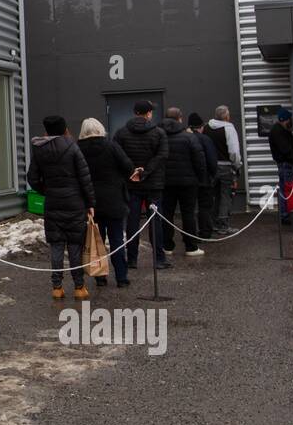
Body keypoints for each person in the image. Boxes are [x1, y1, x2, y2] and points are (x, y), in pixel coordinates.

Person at [29, 115, 95, 300]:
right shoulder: (72, 146)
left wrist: (47, 190)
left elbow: (32, 178)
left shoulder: (39, 149)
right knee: (75, 246)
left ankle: (57, 287)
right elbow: (85, 178)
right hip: (75, 203)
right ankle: (79, 287)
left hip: (53, 203)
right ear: (64, 128)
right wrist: (90, 203)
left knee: (56, 246)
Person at [77, 117, 133, 287]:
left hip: (90, 201)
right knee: (116, 239)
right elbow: (128, 166)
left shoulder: (77, 149)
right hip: (114, 198)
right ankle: (121, 278)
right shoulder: (111, 146)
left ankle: (100, 276)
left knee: (96, 239)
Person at [113, 99, 169, 270]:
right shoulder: (159, 133)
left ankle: (132, 259)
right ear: (149, 113)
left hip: (131, 184)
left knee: (132, 221)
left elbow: (117, 154)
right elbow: (163, 155)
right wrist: (146, 171)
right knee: (155, 222)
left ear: (135, 112)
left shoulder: (121, 133)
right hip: (154, 184)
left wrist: (134, 171)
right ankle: (159, 259)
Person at [160, 107, 207, 257]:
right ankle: (191, 247)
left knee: (167, 214)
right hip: (188, 182)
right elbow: (199, 160)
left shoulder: (159, 136)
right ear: (180, 118)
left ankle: (167, 246)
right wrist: (200, 178)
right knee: (188, 214)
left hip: (165, 182)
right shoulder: (189, 137)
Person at [206, 105, 242, 233]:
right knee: (225, 195)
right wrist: (237, 165)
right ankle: (223, 225)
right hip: (226, 167)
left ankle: (211, 223)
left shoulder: (207, 127)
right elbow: (234, 152)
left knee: (212, 195)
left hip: (210, 167)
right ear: (226, 116)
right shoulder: (229, 129)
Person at [190, 113, 219, 241]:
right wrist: (213, 175)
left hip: (189, 179)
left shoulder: (186, 138)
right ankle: (205, 232)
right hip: (204, 179)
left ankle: (190, 234)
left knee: (189, 208)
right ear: (201, 127)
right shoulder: (205, 139)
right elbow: (212, 160)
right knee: (205, 207)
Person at [269, 107, 293, 224]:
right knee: (287, 190)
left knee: (284, 189)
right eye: (289, 119)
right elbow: (286, 150)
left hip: (284, 164)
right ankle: (286, 215)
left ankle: (285, 214)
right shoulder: (279, 131)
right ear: (285, 120)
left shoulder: (279, 130)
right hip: (287, 164)